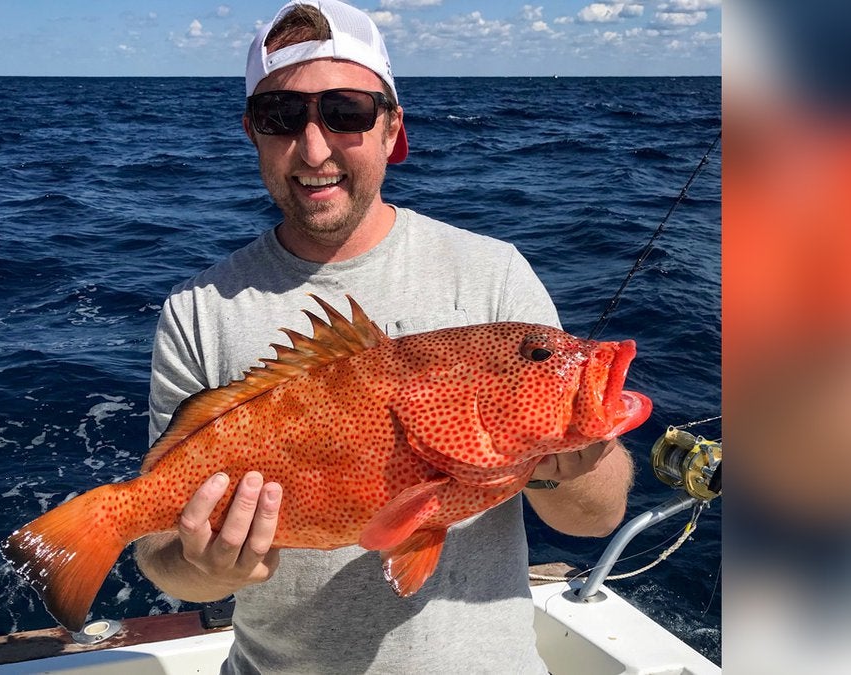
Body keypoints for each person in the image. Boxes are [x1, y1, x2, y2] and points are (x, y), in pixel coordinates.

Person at [133, 1, 633, 672]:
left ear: (392, 125)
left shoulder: (493, 273)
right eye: (282, 116)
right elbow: (161, 552)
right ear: (253, 132)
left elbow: (599, 517)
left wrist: (565, 464)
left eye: (346, 112)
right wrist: (205, 564)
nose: (314, 148)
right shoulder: (198, 310)